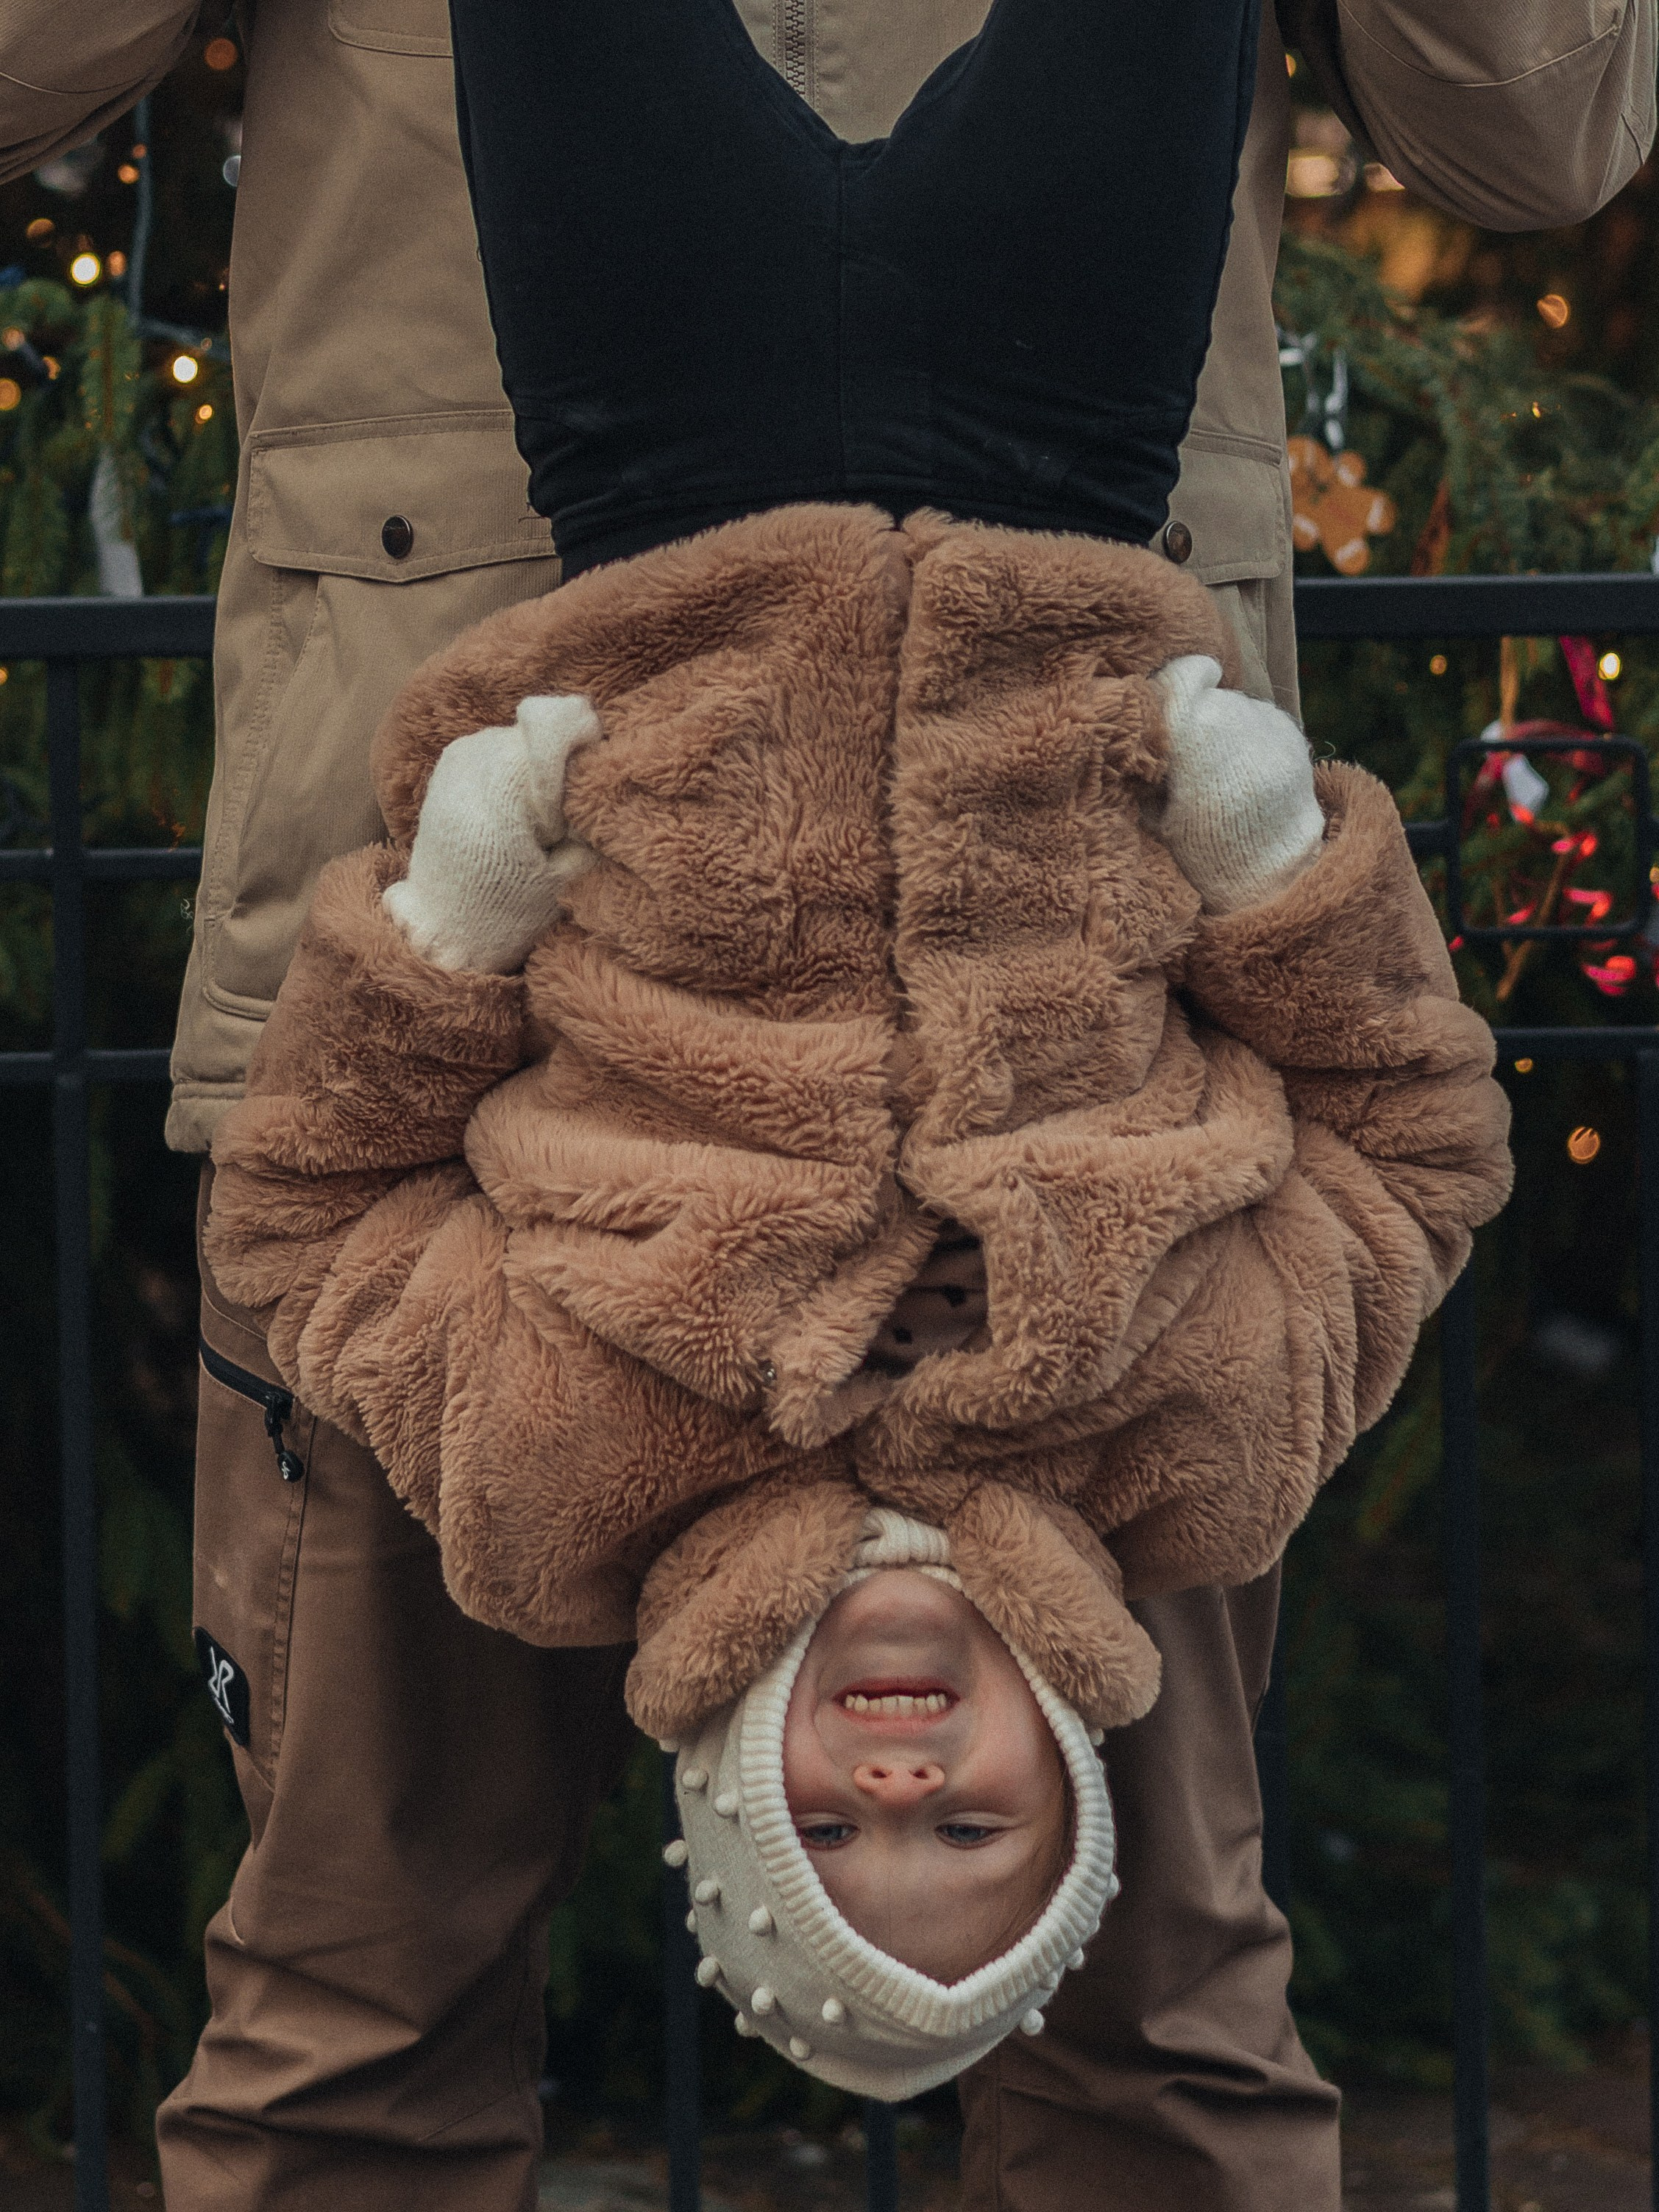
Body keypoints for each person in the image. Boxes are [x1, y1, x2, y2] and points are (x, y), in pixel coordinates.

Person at [1, 1, 1649, 2205]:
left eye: (890, 1822)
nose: (900, 1780)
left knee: (1157, 2048)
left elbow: (1541, 130)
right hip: (951, 1043)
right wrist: (1287, 887)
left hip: (917, 959)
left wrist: (435, 935)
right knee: (353, 2036)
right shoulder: (1205, 1387)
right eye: (943, 1816)